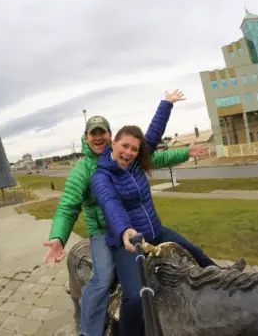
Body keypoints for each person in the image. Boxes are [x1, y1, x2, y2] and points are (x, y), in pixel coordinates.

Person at [42, 90, 199, 336]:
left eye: (102, 133)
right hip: (104, 231)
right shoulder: (82, 171)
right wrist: (58, 237)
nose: (98, 138)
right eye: (93, 134)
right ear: (86, 138)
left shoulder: (120, 155)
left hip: (132, 225)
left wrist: (186, 153)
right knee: (103, 277)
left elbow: (153, 156)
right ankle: (90, 331)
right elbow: (68, 206)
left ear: (110, 137)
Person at [91, 100, 246, 336]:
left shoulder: (135, 163)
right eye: (125, 146)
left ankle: (227, 280)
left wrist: (167, 103)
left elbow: (153, 134)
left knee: (196, 253)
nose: (129, 152)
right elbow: (110, 203)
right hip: (130, 243)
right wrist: (124, 231)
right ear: (113, 144)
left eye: (134, 149)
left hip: (156, 230)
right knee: (134, 297)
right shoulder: (101, 176)